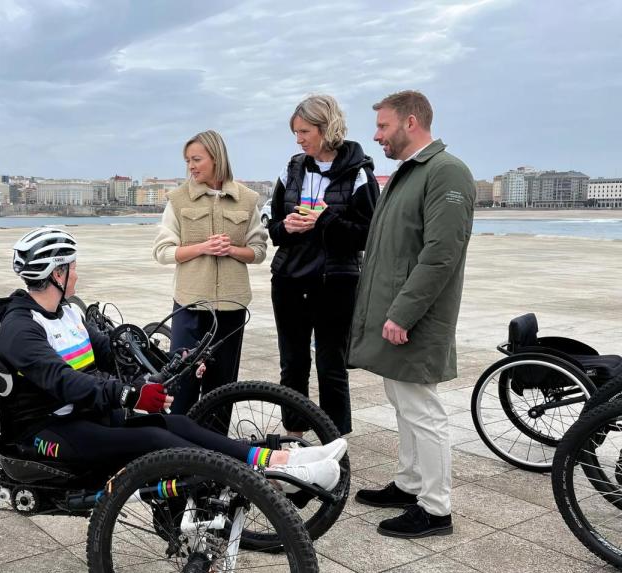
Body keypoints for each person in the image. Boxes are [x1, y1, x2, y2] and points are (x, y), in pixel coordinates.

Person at [0, 226, 344, 493]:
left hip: (87, 416)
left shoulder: (68, 313)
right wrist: (130, 395)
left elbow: (114, 351)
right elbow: (64, 381)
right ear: (57, 273)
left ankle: (280, 460)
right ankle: (270, 478)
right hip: (44, 432)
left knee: (177, 426)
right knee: (155, 443)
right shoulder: (20, 329)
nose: (77, 273)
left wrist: (174, 360)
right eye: (72, 267)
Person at [349, 90, 475, 538]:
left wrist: (402, 314)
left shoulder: (446, 172)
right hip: (393, 315)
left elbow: (441, 254)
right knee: (402, 403)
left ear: (410, 123)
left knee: (423, 409)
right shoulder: (407, 173)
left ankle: (436, 508)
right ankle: (410, 483)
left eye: (383, 126)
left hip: (415, 318)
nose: (376, 134)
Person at [267, 94, 380, 437]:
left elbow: (368, 236)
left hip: (336, 284)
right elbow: (272, 227)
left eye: (304, 132)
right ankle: (294, 440)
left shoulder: (360, 175)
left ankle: (335, 443)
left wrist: (325, 220)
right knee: (293, 366)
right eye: (296, 133)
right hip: (288, 281)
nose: (298, 140)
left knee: (332, 368)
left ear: (325, 128)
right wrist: (285, 227)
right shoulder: (291, 169)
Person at [152, 130, 268, 415]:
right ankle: (180, 447)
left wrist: (232, 251)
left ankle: (216, 451)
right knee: (182, 381)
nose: (191, 166)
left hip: (232, 305)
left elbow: (259, 251)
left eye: (196, 159)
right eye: (188, 160)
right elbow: (163, 252)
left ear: (216, 159)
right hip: (190, 304)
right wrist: (203, 247)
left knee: (222, 385)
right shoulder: (178, 200)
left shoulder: (247, 199)